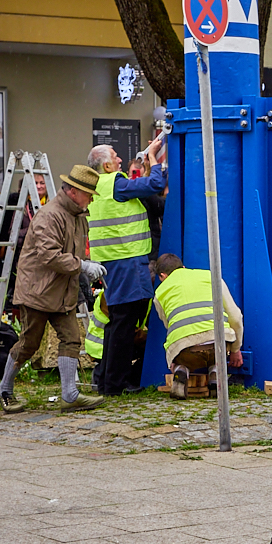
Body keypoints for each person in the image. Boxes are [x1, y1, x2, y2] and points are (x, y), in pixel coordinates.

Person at [0, 165, 105, 412]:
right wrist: (83, 266)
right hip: (38, 291)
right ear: (74, 192)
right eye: (89, 194)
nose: (91, 199)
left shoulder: (77, 215)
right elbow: (50, 256)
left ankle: (69, 394)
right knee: (29, 344)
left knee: (71, 339)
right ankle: (4, 388)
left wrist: (85, 267)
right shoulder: (49, 216)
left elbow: (72, 253)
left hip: (62, 290)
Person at [87, 141, 166, 396]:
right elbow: (155, 184)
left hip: (110, 260)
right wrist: (152, 157)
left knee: (117, 321)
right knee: (124, 323)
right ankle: (114, 384)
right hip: (126, 259)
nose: (120, 160)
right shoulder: (116, 183)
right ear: (106, 165)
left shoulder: (97, 186)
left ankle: (106, 381)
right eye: (115, 156)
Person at [153, 253, 243, 399]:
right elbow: (236, 316)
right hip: (218, 345)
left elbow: (169, 325)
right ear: (183, 267)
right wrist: (235, 349)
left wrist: (173, 358)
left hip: (186, 350)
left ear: (162, 276)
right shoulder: (210, 276)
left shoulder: (159, 292)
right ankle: (216, 372)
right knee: (217, 351)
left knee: (179, 348)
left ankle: (181, 369)